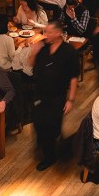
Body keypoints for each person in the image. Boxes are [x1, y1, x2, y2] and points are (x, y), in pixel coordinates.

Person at [29, 20, 78, 171]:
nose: (46, 35)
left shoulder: (69, 52)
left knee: (51, 125)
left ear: (58, 33)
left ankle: (50, 156)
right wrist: (34, 51)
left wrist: (70, 99)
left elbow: (73, 77)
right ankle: (47, 145)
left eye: (49, 32)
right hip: (39, 93)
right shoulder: (43, 48)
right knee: (38, 122)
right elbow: (31, 64)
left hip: (57, 95)